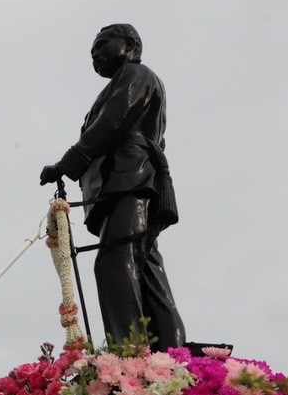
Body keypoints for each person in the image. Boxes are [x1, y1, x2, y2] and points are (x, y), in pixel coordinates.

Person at [40, 23, 186, 350]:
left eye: (102, 44)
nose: (95, 54)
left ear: (130, 44)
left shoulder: (137, 74)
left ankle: (129, 354)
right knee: (143, 267)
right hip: (122, 182)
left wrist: (68, 163)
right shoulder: (127, 80)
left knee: (115, 263)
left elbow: (112, 122)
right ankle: (171, 352)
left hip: (129, 179)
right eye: (92, 51)